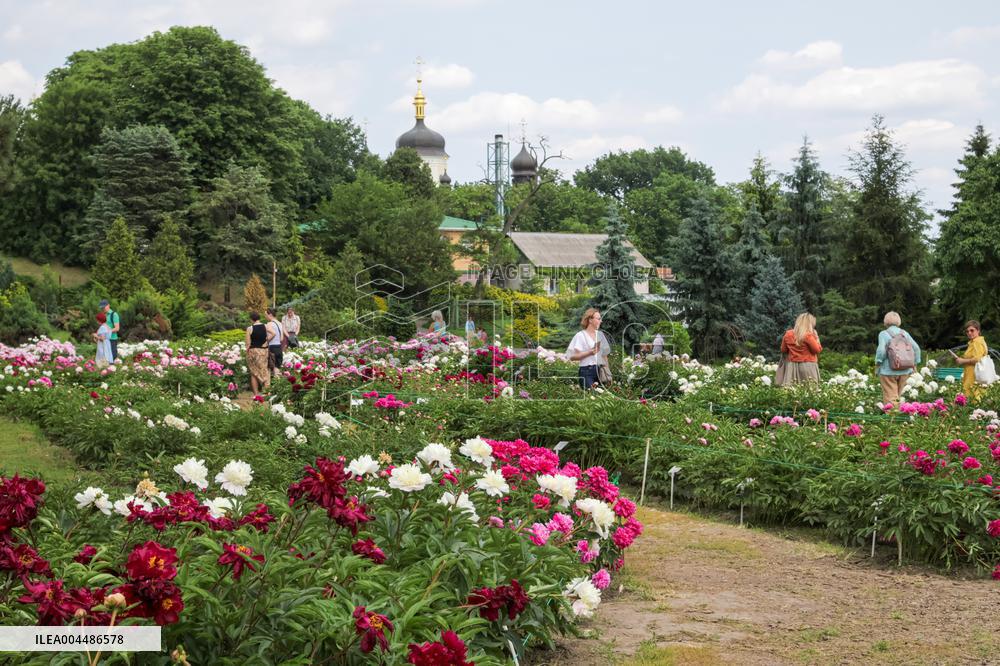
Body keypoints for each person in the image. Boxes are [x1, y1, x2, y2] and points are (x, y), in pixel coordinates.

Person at [874, 311, 921, 404]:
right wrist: (915, 363)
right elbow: (916, 348)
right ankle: (902, 414)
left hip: (888, 371)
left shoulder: (883, 334)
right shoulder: (905, 333)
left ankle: (892, 417)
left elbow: (881, 351)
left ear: (885, 321)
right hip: (905, 369)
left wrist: (878, 362)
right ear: (899, 321)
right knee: (899, 397)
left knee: (890, 397)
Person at [778, 313, 822, 386]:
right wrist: (817, 337)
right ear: (809, 324)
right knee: (810, 390)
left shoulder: (788, 334)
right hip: (808, 366)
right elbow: (817, 350)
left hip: (791, 366)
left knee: (792, 391)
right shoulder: (808, 335)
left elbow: (783, 350)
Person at [567, 308, 605, 389]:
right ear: (590, 320)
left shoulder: (600, 335)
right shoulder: (580, 335)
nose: (601, 321)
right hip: (587, 372)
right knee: (591, 397)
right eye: (598, 319)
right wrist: (590, 352)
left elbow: (604, 355)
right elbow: (572, 356)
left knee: (602, 399)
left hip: (600, 371)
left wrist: (608, 372)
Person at [952, 320, 989, 399]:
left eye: (972, 330)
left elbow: (977, 359)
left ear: (978, 330)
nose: (969, 333)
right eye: (967, 331)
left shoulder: (977, 342)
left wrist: (962, 361)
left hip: (974, 376)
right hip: (972, 375)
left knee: (973, 399)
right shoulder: (973, 342)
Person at [245, 312, 270, 394]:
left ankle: (256, 394)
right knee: (264, 370)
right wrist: (266, 340)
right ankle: (267, 392)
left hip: (254, 351)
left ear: (252, 319)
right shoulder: (265, 326)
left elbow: (248, 343)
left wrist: (247, 351)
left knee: (253, 372)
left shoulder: (250, 328)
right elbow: (273, 333)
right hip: (264, 351)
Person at [265, 308, 284, 376]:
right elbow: (281, 339)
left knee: (269, 369)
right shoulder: (280, 323)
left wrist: (266, 341)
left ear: (270, 314)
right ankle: (278, 385)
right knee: (277, 368)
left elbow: (273, 334)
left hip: (272, 348)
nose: (265, 316)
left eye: (266, 315)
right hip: (279, 347)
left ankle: (269, 385)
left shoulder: (269, 324)